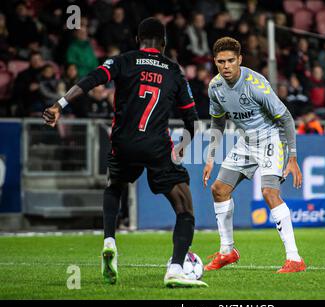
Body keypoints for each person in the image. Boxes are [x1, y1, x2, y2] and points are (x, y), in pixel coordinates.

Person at [42, 17, 207, 288]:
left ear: (137, 41)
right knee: (185, 209)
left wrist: (60, 104)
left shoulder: (123, 60)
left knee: (114, 186)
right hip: (156, 146)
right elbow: (192, 121)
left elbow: (91, 80)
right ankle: (176, 268)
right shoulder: (174, 70)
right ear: (163, 43)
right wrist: (182, 147)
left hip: (123, 142)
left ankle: (109, 241)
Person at [202, 37, 306, 274]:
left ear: (239, 59)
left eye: (230, 60)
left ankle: (294, 258)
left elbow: (286, 118)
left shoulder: (255, 84)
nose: (226, 66)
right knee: (219, 189)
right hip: (246, 141)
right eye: (221, 62)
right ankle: (227, 251)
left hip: (271, 137)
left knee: (269, 192)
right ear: (215, 62)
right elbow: (217, 123)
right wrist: (210, 158)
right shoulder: (215, 87)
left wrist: (292, 157)